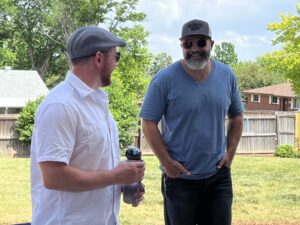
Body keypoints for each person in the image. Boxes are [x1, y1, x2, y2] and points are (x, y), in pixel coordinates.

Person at [30, 26, 145, 225]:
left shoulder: (97, 105)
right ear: (99, 58)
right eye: (115, 56)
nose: (117, 64)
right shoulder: (60, 105)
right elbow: (53, 176)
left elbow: (95, 167)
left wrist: (123, 184)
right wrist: (114, 177)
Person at [140, 19, 244, 225]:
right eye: (188, 44)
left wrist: (230, 154)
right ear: (181, 46)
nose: (195, 49)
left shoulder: (226, 75)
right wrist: (167, 163)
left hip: (218, 178)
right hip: (180, 181)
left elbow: (237, 116)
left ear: (211, 45)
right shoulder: (164, 79)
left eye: (201, 43)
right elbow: (148, 122)